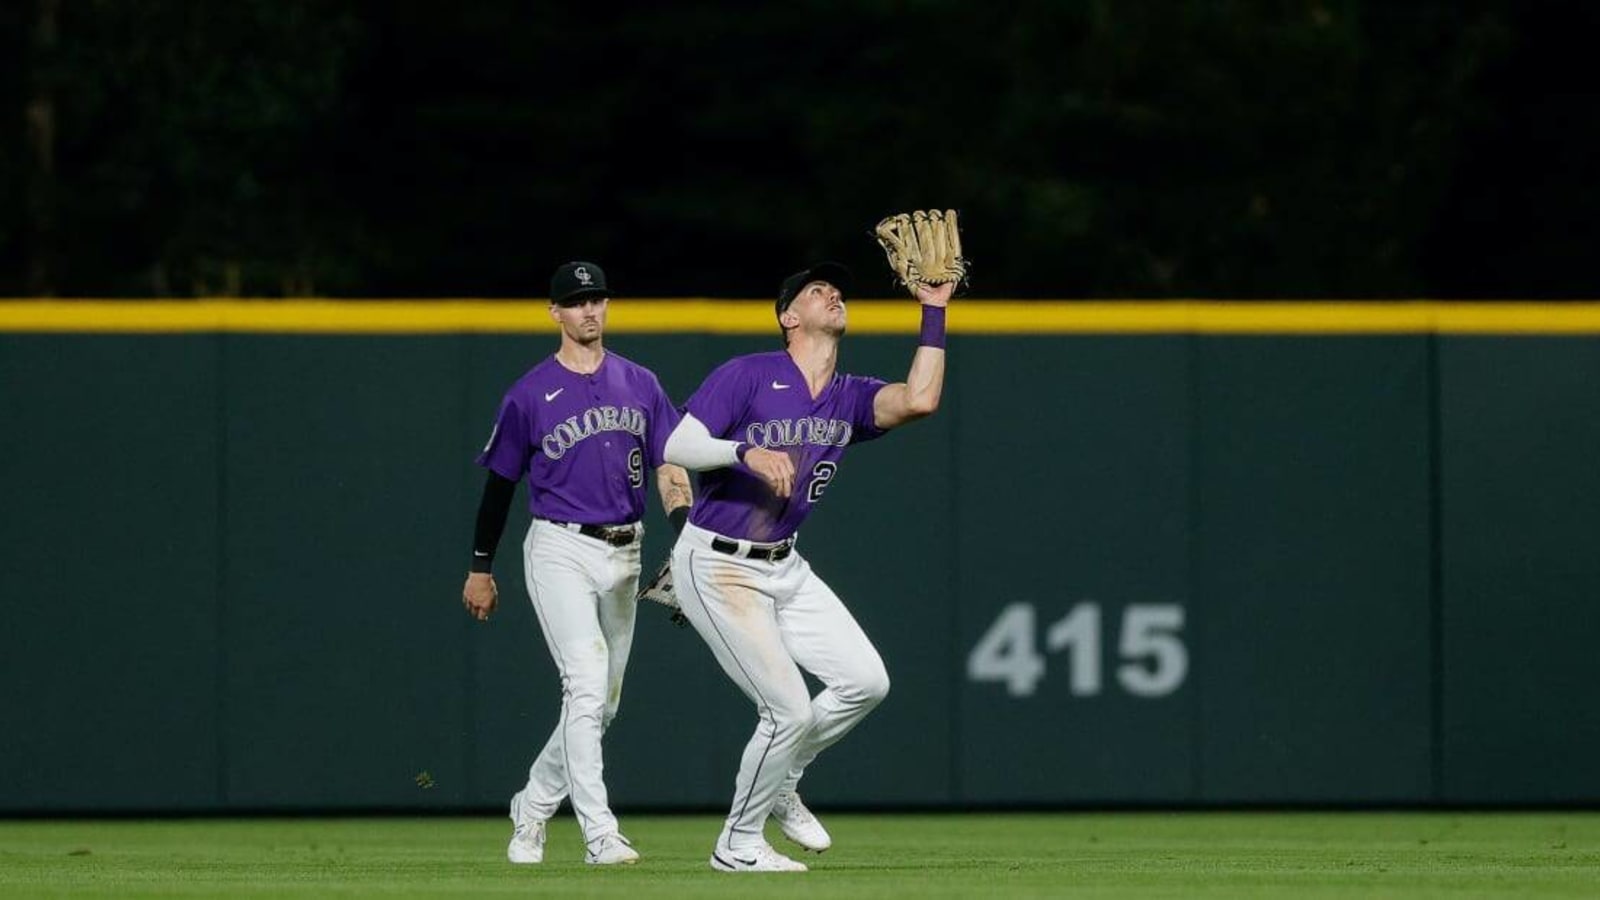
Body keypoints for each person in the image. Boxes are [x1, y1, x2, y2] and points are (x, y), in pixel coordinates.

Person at [661, 261, 952, 872]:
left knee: (866, 681)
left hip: (785, 567)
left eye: (837, 288)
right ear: (789, 317)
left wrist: (934, 309)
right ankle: (736, 845)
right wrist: (744, 449)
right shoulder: (747, 374)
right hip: (717, 564)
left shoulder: (847, 395)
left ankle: (783, 777)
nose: (833, 293)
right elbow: (677, 447)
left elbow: (921, 399)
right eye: (818, 290)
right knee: (787, 710)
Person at [461, 260, 693, 866]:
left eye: (598, 299)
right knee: (586, 686)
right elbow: (499, 488)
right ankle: (599, 834)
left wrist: (685, 537)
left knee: (602, 705)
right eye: (576, 301)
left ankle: (532, 806)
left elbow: (671, 463)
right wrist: (480, 567)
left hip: (628, 548)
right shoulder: (530, 393)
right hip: (560, 547)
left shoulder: (641, 383)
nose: (589, 309)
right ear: (555, 313)